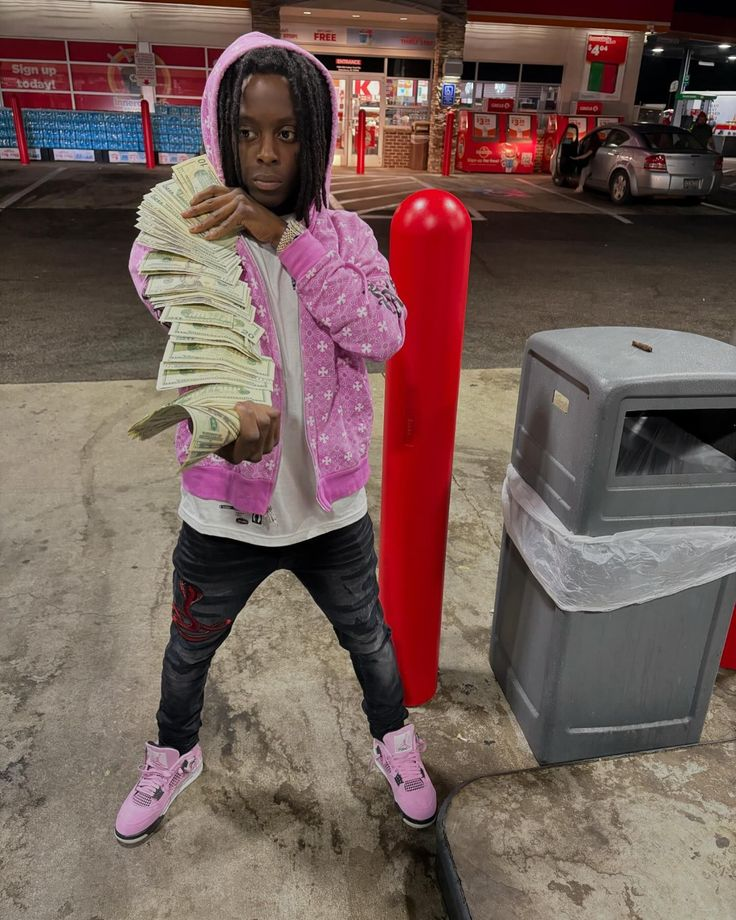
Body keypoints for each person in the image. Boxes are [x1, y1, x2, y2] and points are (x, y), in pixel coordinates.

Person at [115, 32, 437, 845]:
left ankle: (394, 741)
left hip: (330, 508)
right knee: (188, 647)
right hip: (224, 511)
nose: (265, 153)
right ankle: (173, 753)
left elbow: (383, 335)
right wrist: (222, 411)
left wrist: (286, 238)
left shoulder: (347, 238)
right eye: (248, 131)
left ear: (315, 136)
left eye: (287, 132)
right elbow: (185, 330)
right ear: (219, 130)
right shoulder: (189, 232)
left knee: (369, 637)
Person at [572, 129, 604, 194]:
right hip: (597, 163)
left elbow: (586, 155)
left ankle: (580, 187)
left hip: (594, 163)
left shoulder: (593, 146)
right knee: (585, 170)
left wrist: (576, 158)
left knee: (584, 171)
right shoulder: (598, 144)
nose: (588, 141)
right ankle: (580, 187)